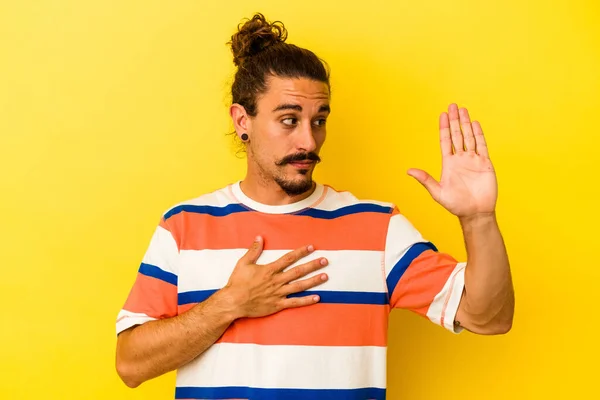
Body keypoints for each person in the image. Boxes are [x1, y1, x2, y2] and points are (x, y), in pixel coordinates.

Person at [114, 12, 514, 400]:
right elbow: (130, 365)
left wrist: (478, 219)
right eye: (289, 120)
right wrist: (229, 304)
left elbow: (489, 317)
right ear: (242, 120)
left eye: (319, 120)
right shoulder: (184, 226)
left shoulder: (376, 227)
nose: (308, 141)